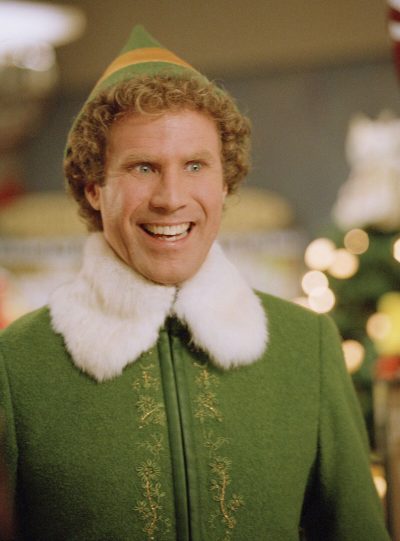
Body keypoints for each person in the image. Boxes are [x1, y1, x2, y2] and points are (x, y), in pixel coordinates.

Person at [0, 25, 391, 541]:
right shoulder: (15, 365)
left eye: (194, 166)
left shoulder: (308, 347)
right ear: (93, 187)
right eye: (143, 167)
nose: (171, 198)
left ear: (224, 182)